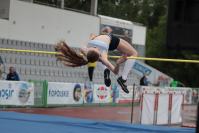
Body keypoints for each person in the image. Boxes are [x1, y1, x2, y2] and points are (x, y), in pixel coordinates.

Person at [55, 34, 138, 93]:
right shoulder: (85, 50)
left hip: (107, 45)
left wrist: (117, 63)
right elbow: (115, 72)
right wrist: (118, 63)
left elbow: (114, 71)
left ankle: (105, 70)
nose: (96, 48)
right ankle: (123, 78)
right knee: (134, 53)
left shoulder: (100, 55)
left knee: (103, 61)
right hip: (111, 40)